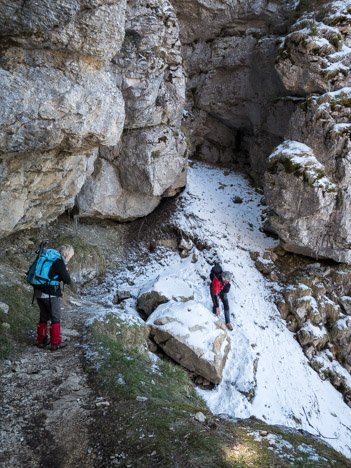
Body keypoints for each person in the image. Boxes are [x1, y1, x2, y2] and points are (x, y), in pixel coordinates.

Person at [35, 244, 74, 351]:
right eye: (70, 256)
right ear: (67, 255)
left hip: (38, 292)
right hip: (50, 294)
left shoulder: (48, 259)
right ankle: (55, 343)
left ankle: (41, 341)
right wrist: (65, 270)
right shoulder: (59, 262)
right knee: (55, 318)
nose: (70, 258)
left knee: (43, 317)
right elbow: (67, 280)